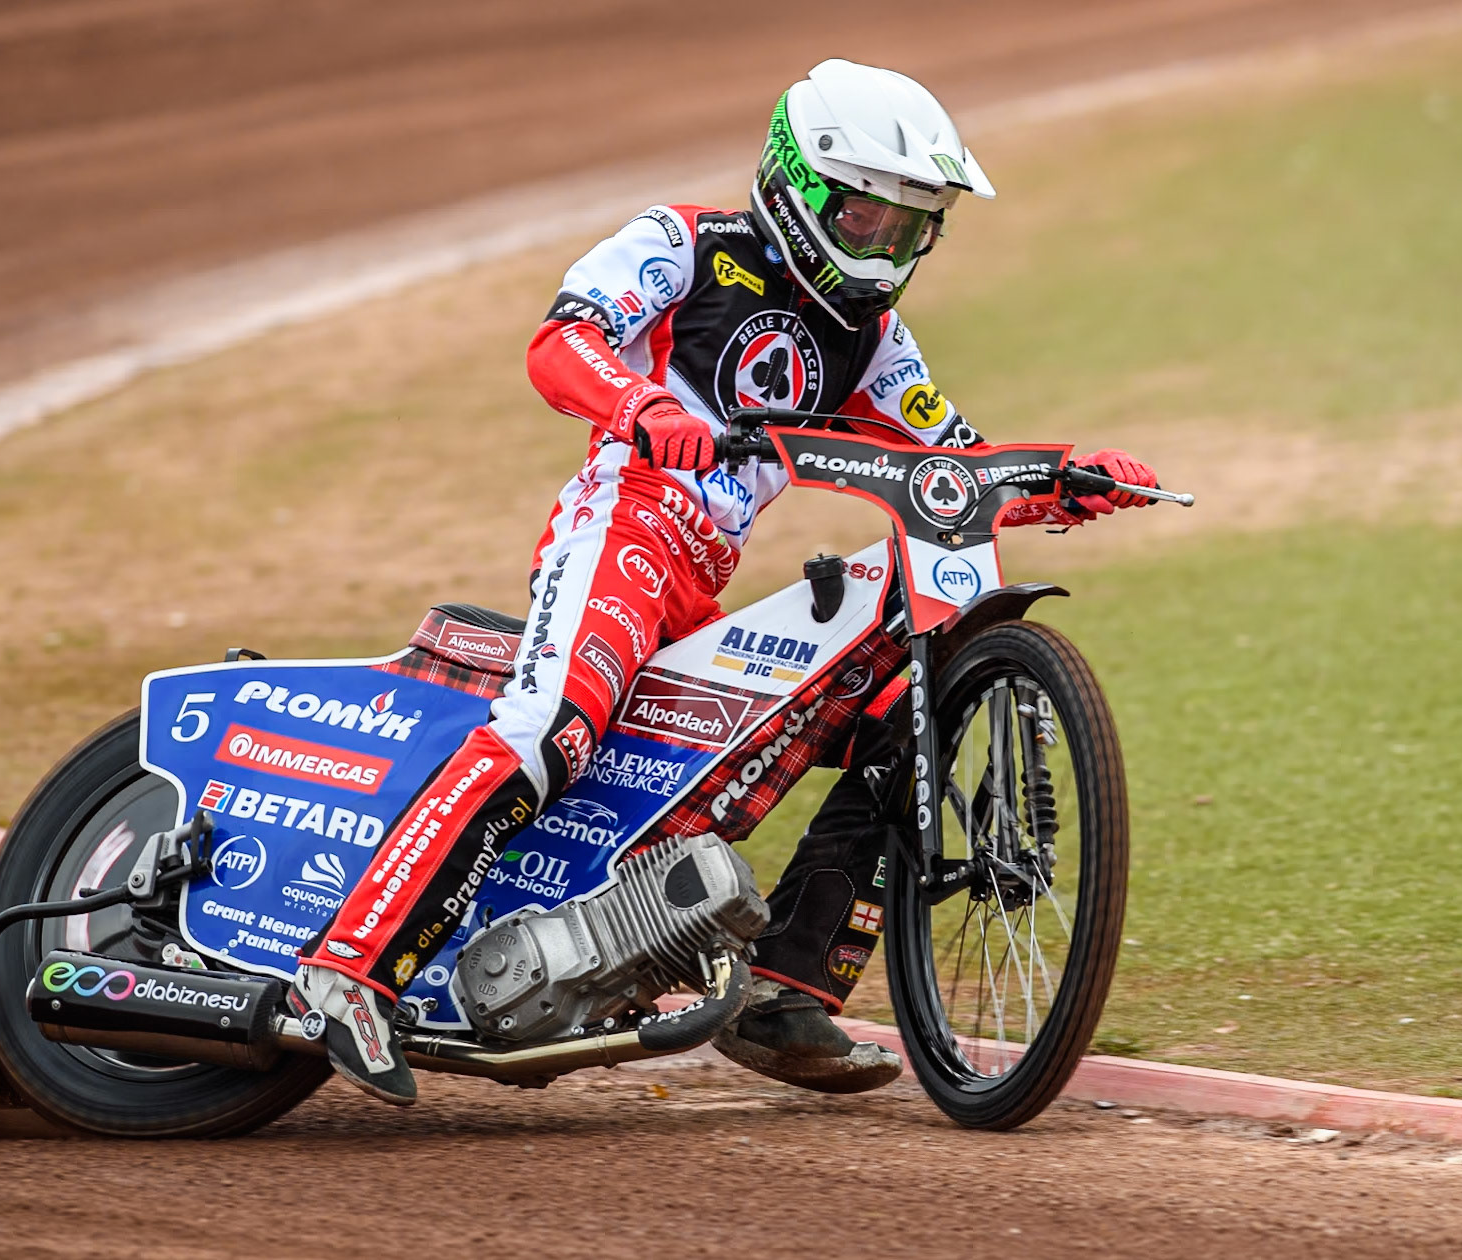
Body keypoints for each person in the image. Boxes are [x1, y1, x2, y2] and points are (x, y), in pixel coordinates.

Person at [290, 58, 1158, 1105]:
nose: (884, 250)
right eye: (866, 218)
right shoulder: (683, 243)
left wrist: (1063, 479)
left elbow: (948, 463)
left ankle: (784, 991)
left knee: (900, 723)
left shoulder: (874, 340)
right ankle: (347, 969)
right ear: (798, 185)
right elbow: (560, 343)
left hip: (700, 579)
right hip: (622, 525)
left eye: (909, 229)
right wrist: (643, 409)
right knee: (552, 727)